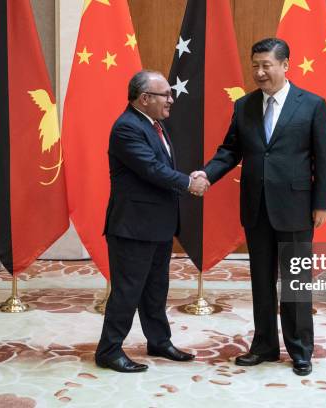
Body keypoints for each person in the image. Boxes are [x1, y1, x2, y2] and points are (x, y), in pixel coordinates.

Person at [192, 38, 326, 376]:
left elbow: (325, 158)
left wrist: (322, 203)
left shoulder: (312, 104)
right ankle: (265, 345)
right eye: (255, 65)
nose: (259, 72)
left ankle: (300, 349)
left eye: (266, 65)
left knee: (296, 281)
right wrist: (207, 174)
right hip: (256, 207)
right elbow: (230, 151)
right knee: (261, 280)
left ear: (285, 65)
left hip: (297, 207)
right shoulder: (244, 106)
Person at [95, 70, 209, 373]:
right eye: (166, 95)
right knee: (127, 291)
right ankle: (109, 350)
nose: (171, 100)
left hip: (157, 225)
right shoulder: (126, 128)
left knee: (156, 289)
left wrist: (190, 177)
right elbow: (151, 169)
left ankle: (159, 341)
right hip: (133, 227)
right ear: (145, 98)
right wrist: (188, 182)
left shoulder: (154, 125)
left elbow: (160, 167)